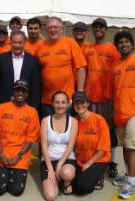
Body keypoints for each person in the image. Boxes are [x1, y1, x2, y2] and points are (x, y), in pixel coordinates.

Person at [85, 18, 120, 178]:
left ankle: (112, 162)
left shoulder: (112, 49)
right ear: (92, 30)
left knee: (109, 130)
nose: (98, 29)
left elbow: (119, 70)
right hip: (90, 98)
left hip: (106, 98)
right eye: (96, 27)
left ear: (106, 29)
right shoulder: (88, 48)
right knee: (93, 131)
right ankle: (95, 161)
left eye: (101, 27)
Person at [0, 79, 40, 196]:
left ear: (27, 94)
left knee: (16, 190)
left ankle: (11, 171)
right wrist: (1, 155)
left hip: (20, 156)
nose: (20, 94)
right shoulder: (1, 109)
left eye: (23, 91)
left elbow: (30, 138)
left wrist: (18, 156)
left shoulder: (32, 112)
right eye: (18, 90)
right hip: (0, 153)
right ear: (13, 91)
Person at [37, 17, 86, 118]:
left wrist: (80, 91)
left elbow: (81, 67)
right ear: (46, 30)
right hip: (47, 100)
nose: (52, 30)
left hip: (66, 99)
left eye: (55, 27)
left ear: (61, 29)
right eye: (50, 27)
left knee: (66, 130)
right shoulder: (41, 46)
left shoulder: (70, 43)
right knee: (48, 130)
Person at [108, 31, 135, 199]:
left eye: (127, 42)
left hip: (134, 112)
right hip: (120, 112)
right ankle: (128, 174)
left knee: (132, 147)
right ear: (117, 46)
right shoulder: (115, 66)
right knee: (125, 146)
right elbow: (112, 91)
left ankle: (132, 181)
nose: (123, 44)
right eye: (120, 42)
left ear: (132, 44)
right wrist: (113, 112)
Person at [40, 91, 78, 200]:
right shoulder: (45, 121)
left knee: (67, 173)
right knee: (51, 196)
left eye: (63, 102)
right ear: (52, 104)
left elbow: (71, 146)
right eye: (57, 102)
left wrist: (59, 165)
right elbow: (43, 146)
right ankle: (56, 180)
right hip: (49, 160)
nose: (60, 105)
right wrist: (51, 169)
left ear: (67, 104)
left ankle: (65, 181)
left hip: (66, 159)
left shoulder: (73, 121)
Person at [0, 30, 41, 110]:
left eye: (20, 42)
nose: (17, 45)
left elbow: (35, 86)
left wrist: (34, 106)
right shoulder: (1, 59)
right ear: (10, 42)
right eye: (15, 42)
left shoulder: (33, 61)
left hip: (26, 103)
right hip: (4, 101)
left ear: (24, 43)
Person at [72, 91, 111, 194]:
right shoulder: (74, 122)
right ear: (73, 105)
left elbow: (103, 149)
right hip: (81, 160)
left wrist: (89, 163)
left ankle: (98, 177)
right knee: (69, 182)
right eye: (76, 103)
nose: (79, 105)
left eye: (82, 102)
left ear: (87, 104)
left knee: (82, 188)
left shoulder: (99, 120)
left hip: (98, 160)